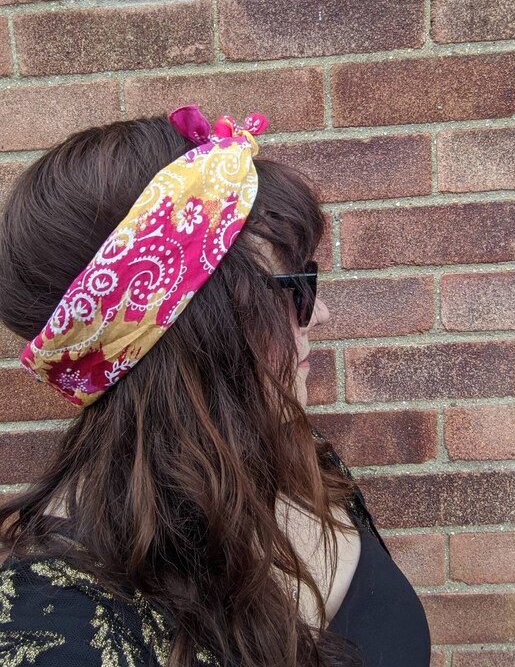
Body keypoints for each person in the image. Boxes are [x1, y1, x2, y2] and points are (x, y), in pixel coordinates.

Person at [0, 104, 431, 666]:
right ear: (189, 332)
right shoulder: (58, 634)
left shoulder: (306, 465)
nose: (319, 311)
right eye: (294, 287)